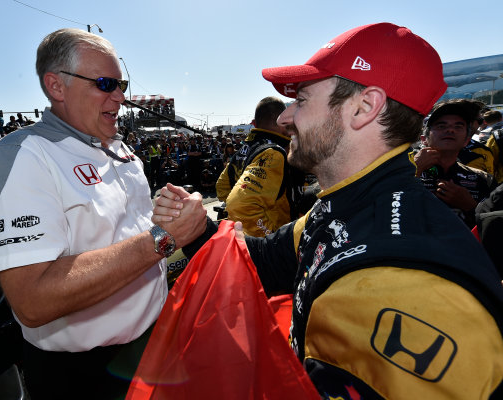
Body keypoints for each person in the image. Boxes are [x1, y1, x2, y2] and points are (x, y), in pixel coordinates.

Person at [154, 23, 503, 399]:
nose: (285, 118)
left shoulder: (401, 280)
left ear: (364, 107)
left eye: (301, 100)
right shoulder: (346, 203)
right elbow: (269, 261)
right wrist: (198, 230)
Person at [0, 28, 206, 399]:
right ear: (56, 86)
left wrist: (167, 217)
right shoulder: (25, 154)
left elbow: (126, 237)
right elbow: (33, 300)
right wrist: (166, 238)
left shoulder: (122, 150)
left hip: (154, 345)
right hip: (82, 375)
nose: (120, 96)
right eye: (105, 83)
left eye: (122, 84)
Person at [216, 96, 317, 237]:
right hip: (270, 244)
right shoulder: (274, 153)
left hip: (243, 237)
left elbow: (222, 188)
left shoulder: (245, 148)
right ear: (281, 120)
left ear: (256, 122)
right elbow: (239, 206)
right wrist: (272, 237)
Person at [413, 100, 497, 228]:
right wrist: (415, 170)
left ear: (466, 140)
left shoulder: (484, 179)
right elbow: (381, 208)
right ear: (424, 139)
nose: (450, 130)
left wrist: (471, 206)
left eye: (458, 126)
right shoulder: (399, 171)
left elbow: (495, 229)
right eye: (441, 126)